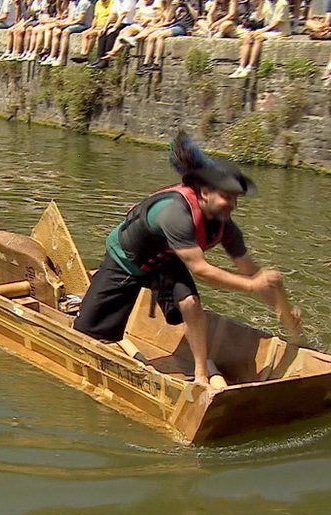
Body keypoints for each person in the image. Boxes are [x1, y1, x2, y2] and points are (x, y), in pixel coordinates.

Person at [74, 132, 300, 387]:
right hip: (127, 260)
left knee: (191, 303)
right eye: (228, 196)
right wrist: (252, 286)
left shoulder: (226, 226)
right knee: (85, 336)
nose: (233, 204)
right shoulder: (175, 213)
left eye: (236, 198)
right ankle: (96, 294)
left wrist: (281, 308)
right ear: (205, 192)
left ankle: (201, 375)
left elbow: (251, 272)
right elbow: (201, 270)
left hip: (166, 261)